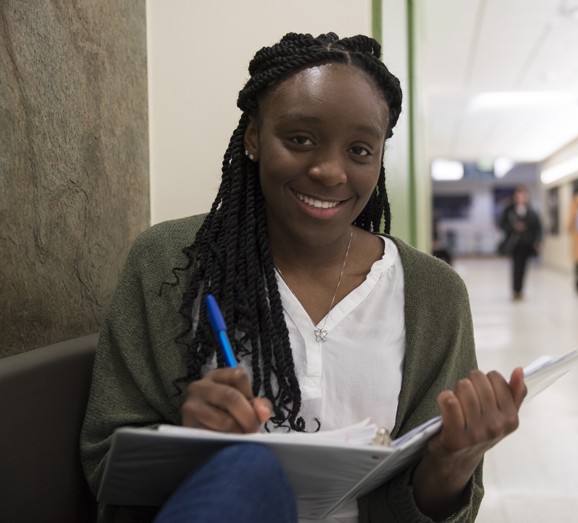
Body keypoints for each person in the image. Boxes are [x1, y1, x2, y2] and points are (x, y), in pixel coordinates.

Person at [80, 32, 527, 523]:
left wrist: (453, 462)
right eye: (300, 139)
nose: (330, 171)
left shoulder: (435, 294)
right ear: (254, 136)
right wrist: (190, 446)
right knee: (250, 472)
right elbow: (105, 461)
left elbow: (442, 510)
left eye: (359, 150)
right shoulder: (170, 262)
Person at [498, 186, 542, 301]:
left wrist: (538, 241)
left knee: (523, 267)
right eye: (518, 196)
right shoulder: (509, 211)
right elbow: (502, 225)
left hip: (527, 244)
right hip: (515, 244)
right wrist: (514, 227)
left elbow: (538, 228)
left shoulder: (531, 212)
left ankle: (520, 290)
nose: (521, 198)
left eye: (523, 196)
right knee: (516, 267)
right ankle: (515, 290)